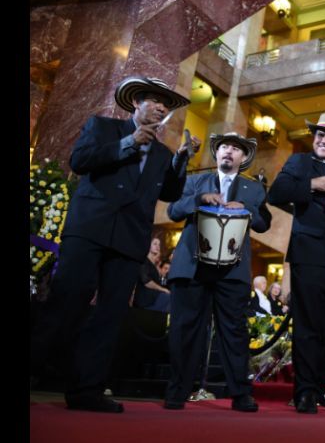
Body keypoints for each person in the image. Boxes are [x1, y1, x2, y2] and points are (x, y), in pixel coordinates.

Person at [29, 76, 200, 413]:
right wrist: (128, 144)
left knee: (109, 316)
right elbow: (80, 161)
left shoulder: (163, 154)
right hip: (89, 230)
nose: (162, 107)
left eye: (167, 105)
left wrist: (180, 160)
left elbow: (168, 193)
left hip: (128, 240)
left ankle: (86, 391)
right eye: (155, 100)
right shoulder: (103, 127)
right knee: (66, 304)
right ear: (136, 102)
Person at [163, 132, 271, 413]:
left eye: (236, 148)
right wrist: (199, 199)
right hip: (192, 268)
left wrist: (246, 208)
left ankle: (241, 394)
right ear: (216, 152)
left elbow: (263, 223)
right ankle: (177, 392)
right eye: (224, 146)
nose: (228, 151)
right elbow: (173, 211)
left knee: (234, 332)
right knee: (184, 331)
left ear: (243, 157)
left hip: (232, 272)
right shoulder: (195, 180)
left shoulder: (254, 190)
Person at [267, 112, 325, 414]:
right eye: (319, 134)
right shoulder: (300, 164)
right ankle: (304, 390)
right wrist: (313, 184)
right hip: (309, 254)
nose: (323, 139)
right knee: (308, 325)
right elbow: (276, 193)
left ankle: (319, 387)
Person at [133, 237, 171, 312]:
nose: (157, 246)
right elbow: (146, 281)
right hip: (145, 299)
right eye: (155, 244)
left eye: (159, 245)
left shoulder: (153, 265)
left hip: (153, 296)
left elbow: (160, 280)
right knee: (169, 298)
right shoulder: (144, 261)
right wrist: (163, 289)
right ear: (148, 245)